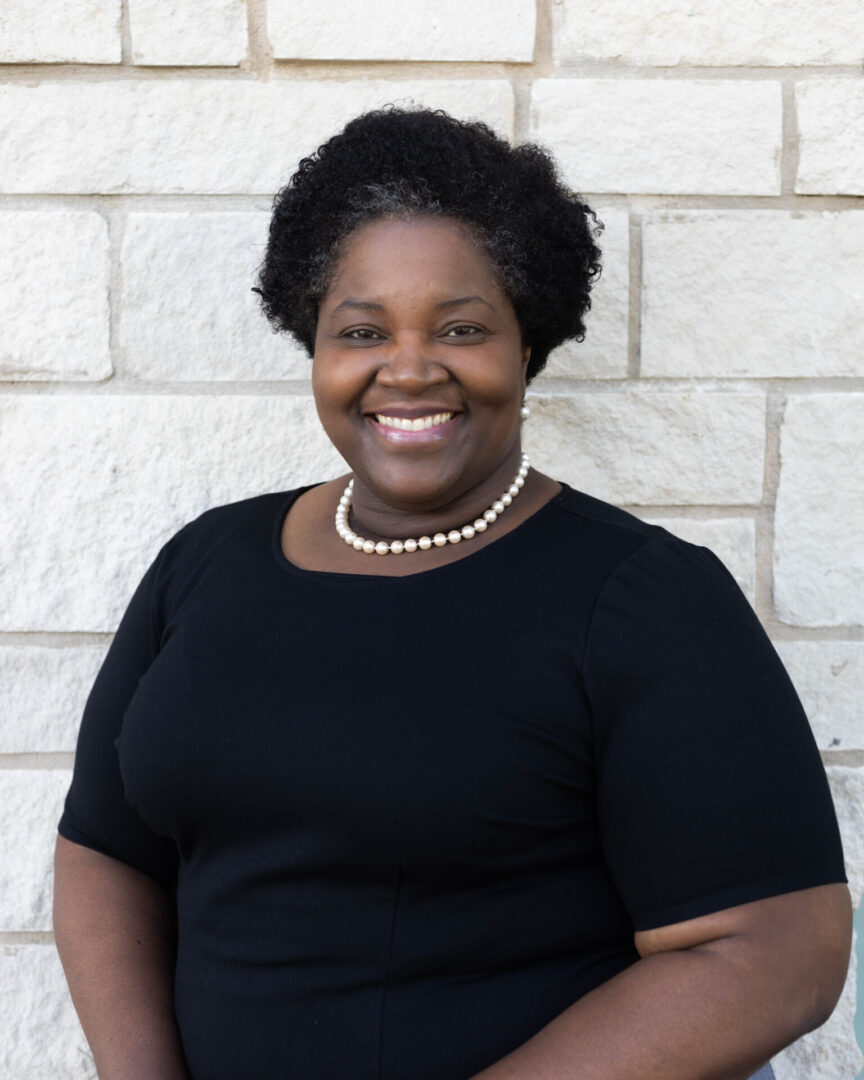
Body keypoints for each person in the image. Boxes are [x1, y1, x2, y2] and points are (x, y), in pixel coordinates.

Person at [53, 107, 851, 1080]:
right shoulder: (206, 565)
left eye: (462, 328)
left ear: (528, 344)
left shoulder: (644, 601)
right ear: (316, 342)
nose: (409, 369)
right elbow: (104, 851)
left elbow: (776, 955)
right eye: (362, 330)